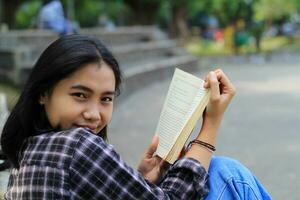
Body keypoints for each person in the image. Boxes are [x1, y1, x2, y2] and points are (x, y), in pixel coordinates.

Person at [0, 34, 271, 199]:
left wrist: (138, 181)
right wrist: (210, 125)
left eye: (106, 99)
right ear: (43, 93)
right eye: (80, 95)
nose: (94, 114)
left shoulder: (26, 149)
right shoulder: (76, 146)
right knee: (227, 173)